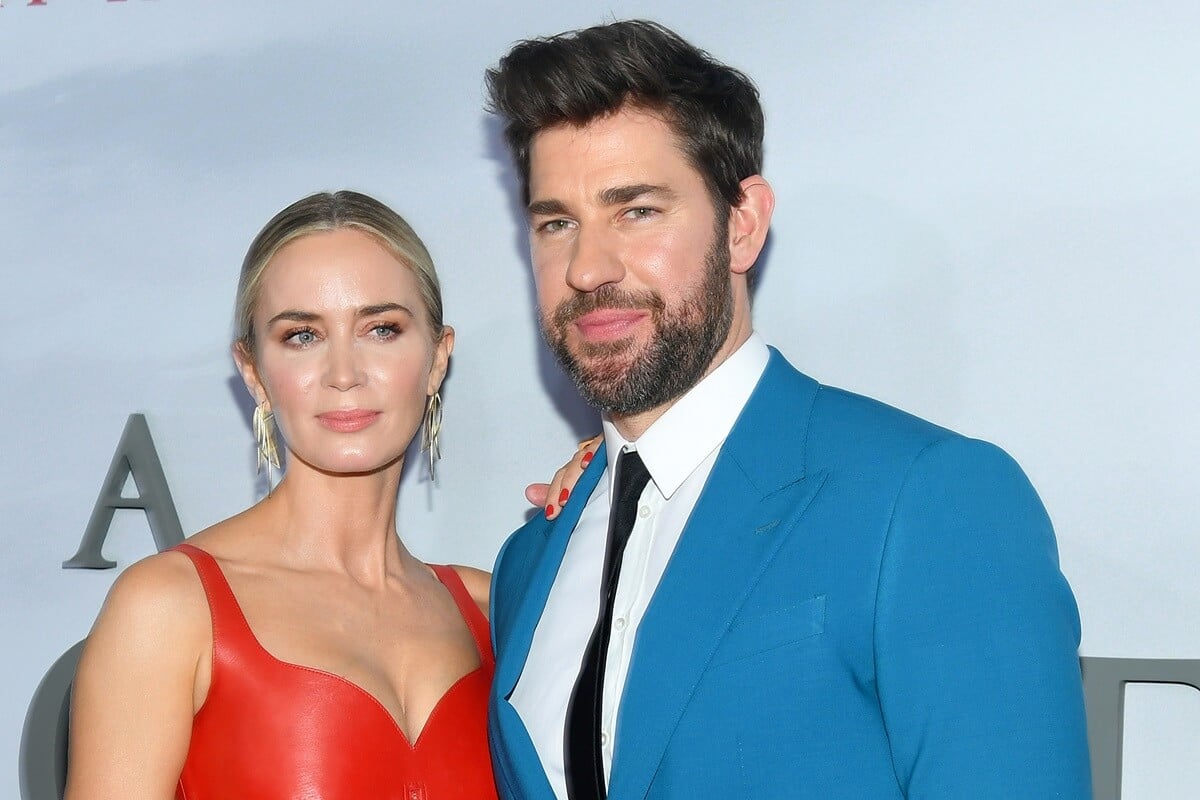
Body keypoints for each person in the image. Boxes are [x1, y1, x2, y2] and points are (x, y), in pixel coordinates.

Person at [484, 19, 1092, 800]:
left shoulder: (927, 499)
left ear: (742, 225)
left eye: (636, 211)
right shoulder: (529, 560)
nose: (587, 267)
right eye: (556, 222)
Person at [64, 190, 585, 799]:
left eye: (382, 329)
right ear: (253, 371)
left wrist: (607, 512)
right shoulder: (169, 609)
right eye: (302, 336)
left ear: (438, 357)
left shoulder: (495, 607)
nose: (344, 372)